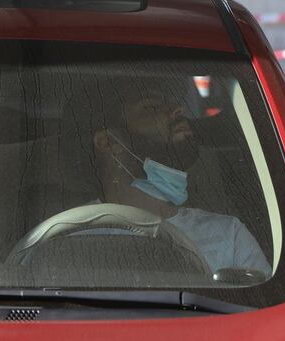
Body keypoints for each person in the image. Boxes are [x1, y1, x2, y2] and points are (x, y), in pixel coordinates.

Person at [90, 83, 271, 277]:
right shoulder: (71, 235)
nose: (178, 109)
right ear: (107, 142)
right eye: (151, 107)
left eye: (175, 103)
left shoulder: (229, 234)